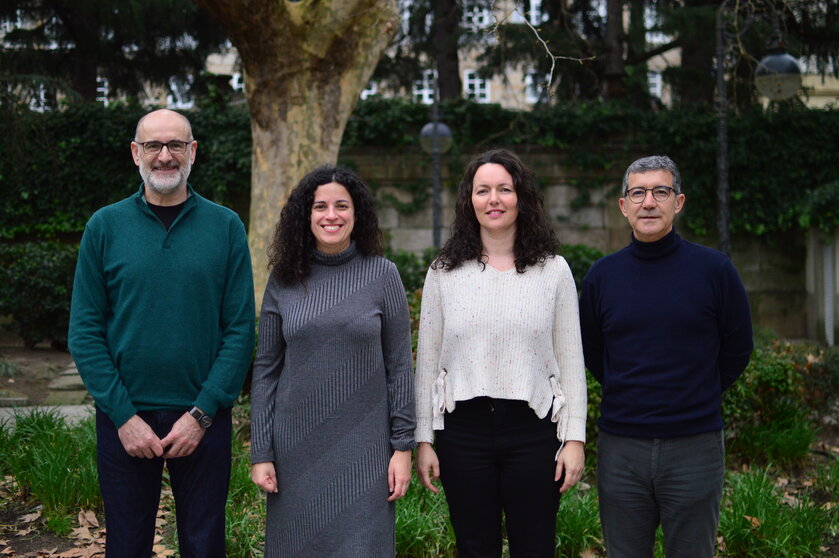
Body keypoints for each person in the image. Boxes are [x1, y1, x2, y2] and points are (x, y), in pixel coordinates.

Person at [68, 109, 256, 558]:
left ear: (192, 152)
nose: (165, 155)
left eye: (176, 145)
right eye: (154, 145)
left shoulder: (225, 226)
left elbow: (240, 329)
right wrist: (123, 417)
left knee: (203, 543)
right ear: (136, 153)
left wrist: (203, 413)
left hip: (202, 419)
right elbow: (85, 330)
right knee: (127, 545)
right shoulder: (104, 227)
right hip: (125, 419)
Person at [414, 149, 588, 558]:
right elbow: (426, 363)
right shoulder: (444, 272)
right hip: (463, 433)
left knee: (535, 546)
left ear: (521, 198)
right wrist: (423, 437)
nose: (493, 199)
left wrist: (575, 437)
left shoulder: (554, 270)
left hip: (534, 432)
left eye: (504, 189)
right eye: (483, 190)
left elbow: (570, 360)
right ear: (469, 201)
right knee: (475, 547)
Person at [579, 155, 754, 558]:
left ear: (679, 201)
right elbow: (592, 351)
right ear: (623, 206)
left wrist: (698, 390)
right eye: (637, 192)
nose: (649, 202)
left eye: (661, 191)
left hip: (695, 445)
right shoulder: (602, 277)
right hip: (622, 448)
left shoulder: (714, 270)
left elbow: (738, 346)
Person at [250, 166, 416, 558]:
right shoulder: (284, 279)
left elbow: (399, 367)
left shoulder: (383, 275)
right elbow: (265, 371)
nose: (331, 215)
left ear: (357, 214)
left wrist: (403, 446)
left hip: (367, 453)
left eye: (342, 205)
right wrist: (262, 452)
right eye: (320, 206)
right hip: (295, 453)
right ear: (305, 216)